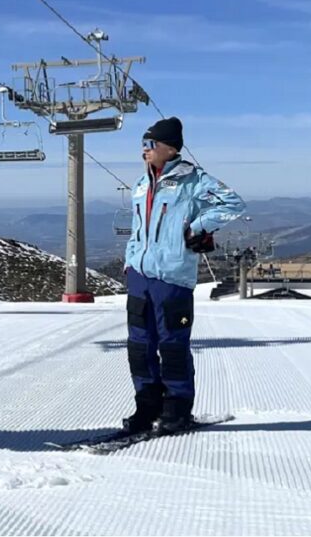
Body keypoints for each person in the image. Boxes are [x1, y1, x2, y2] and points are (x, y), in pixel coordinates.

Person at [122, 117, 246, 434]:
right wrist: (130, 263)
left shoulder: (194, 180)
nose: (144, 151)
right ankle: (145, 407)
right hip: (140, 276)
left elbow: (233, 203)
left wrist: (199, 227)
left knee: (172, 344)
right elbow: (138, 228)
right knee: (139, 344)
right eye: (143, 145)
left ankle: (177, 409)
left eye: (150, 145)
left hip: (172, 276)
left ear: (170, 148)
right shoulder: (141, 183)